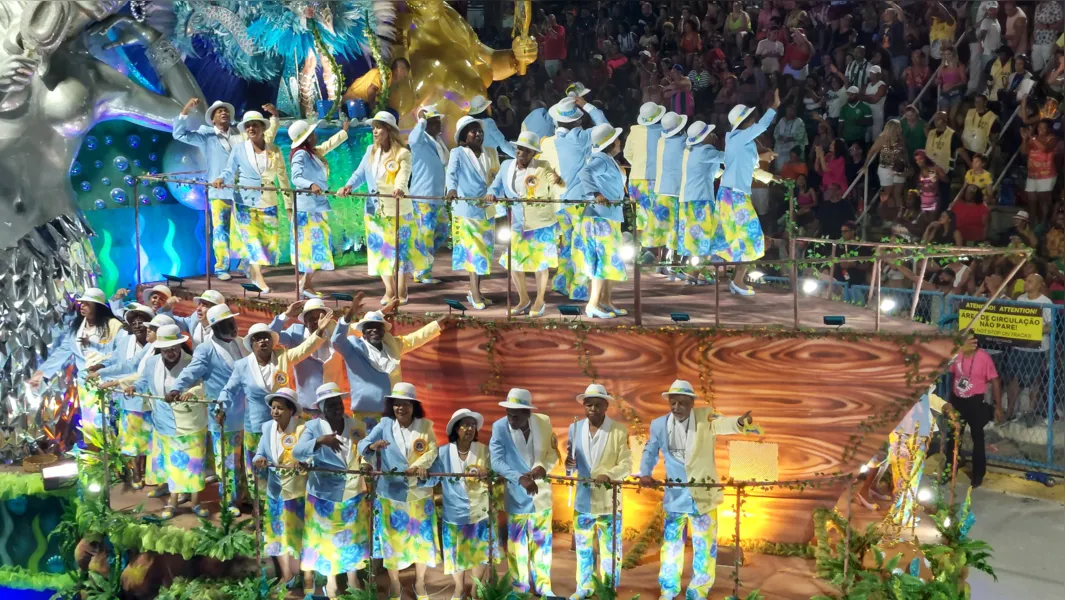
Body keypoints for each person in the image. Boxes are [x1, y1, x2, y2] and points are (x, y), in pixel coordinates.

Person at [638, 380, 760, 600]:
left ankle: (698, 591)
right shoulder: (658, 425)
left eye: (682, 403)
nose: (676, 407)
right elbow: (649, 451)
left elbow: (724, 424)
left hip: (702, 496)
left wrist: (741, 422)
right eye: (672, 403)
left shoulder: (705, 417)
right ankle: (668, 589)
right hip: (675, 496)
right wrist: (644, 472)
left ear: (692, 403)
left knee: (704, 548)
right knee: (671, 546)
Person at [218, 317, 335, 501]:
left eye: (266, 337)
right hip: (255, 426)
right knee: (257, 470)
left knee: (285, 465)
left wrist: (318, 332)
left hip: (285, 425)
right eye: (258, 338)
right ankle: (260, 509)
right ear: (251, 343)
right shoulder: (242, 366)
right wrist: (221, 407)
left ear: (272, 341)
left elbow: (303, 350)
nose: (263, 341)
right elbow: (229, 389)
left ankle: (285, 506)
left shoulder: (282, 357)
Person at [358, 383, 439, 600]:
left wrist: (418, 465)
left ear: (413, 406)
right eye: (396, 404)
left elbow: (433, 449)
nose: (400, 408)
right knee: (391, 541)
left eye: (405, 404)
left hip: (419, 494)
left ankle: (420, 583)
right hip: (389, 493)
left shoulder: (425, 425)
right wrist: (372, 447)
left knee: (421, 541)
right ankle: (395, 584)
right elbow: (363, 444)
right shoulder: (384, 425)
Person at [292, 384, 371, 598]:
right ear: (322, 408)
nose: (337, 407)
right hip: (323, 495)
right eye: (331, 404)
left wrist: (366, 462)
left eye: (338, 402)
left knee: (352, 539)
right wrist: (320, 441)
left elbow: (365, 451)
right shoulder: (313, 427)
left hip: (353, 493)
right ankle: (331, 583)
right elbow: (298, 452)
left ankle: (354, 580)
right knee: (327, 542)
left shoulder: (356, 425)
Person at [168, 304, 246, 511]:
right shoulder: (206, 349)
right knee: (227, 462)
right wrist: (177, 388)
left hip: (247, 413)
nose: (232, 326)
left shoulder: (241, 343)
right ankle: (229, 502)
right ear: (215, 328)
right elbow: (191, 372)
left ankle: (245, 497)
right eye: (226, 324)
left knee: (244, 460)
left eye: (232, 321)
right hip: (223, 415)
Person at [125, 324, 206, 519]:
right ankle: (173, 501)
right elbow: (144, 381)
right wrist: (134, 387)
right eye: (165, 349)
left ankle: (195, 502)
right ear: (159, 348)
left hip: (189, 421)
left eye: (173, 348)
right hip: (163, 420)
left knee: (193, 465)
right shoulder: (152, 363)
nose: (170, 353)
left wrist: (190, 393)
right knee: (172, 464)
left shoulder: (191, 362)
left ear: (180, 346)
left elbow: (203, 386)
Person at [338, 112, 416, 305]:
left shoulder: (403, 153)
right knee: (380, 251)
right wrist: (348, 185)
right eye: (374, 127)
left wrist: (399, 188)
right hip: (374, 209)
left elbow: (403, 174)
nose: (375, 131)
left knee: (400, 251)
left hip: (397, 208)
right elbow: (360, 173)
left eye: (379, 127)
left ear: (389, 130)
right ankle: (389, 290)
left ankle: (401, 288)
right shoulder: (370, 151)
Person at [489, 388, 559, 596]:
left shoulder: (543, 422)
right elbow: (496, 461)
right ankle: (519, 587)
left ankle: (543, 586)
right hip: (516, 497)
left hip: (542, 496)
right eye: (508, 413)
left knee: (542, 543)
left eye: (516, 414)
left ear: (528, 413)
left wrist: (544, 468)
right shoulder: (499, 427)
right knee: (517, 546)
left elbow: (553, 453)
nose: (511, 418)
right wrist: (519, 478)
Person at [485, 131, 563, 317]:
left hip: (540, 223)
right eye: (519, 148)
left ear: (534, 153)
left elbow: (556, 188)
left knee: (540, 263)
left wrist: (558, 181)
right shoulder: (506, 166)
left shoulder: (543, 167)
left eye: (527, 150)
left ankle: (540, 300)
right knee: (514, 263)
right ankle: (523, 299)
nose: (521, 152)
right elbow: (495, 187)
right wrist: (491, 194)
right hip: (518, 223)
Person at [331, 302, 444, 429]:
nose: (374, 330)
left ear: (383, 331)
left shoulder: (392, 346)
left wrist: (437, 325)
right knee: (365, 447)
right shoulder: (354, 347)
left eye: (378, 327)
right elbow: (337, 341)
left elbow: (414, 339)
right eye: (369, 327)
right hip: (365, 415)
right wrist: (349, 315)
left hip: (392, 414)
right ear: (363, 332)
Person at [566, 384, 632, 597]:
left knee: (611, 550)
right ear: (583, 406)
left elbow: (627, 464)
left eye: (597, 405)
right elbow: (571, 466)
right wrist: (569, 464)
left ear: (606, 406)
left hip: (609, 502)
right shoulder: (573, 428)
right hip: (583, 500)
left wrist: (610, 475)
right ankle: (583, 588)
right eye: (588, 405)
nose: (592, 409)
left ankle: (606, 589)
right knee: (583, 549)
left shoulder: (618, 430)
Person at [32, 287, 123, 443]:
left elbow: (119, 354)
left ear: (98, 307)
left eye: (87, 304)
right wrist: (41, 372)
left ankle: (115, 460)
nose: (82, 306)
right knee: (91, 423)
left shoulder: (113, 325)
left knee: (111, 421)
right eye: (81, 303)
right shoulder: (77, 328)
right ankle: (96, 460)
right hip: (86, 383)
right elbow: (63, 350)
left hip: (108, 382)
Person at [713, 90, 780, 296]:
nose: (754, 122)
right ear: (747, 122)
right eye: (752, 119)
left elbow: (749, 170)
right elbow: (763, 126)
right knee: (752, 238)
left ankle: (729, 278)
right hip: (735, 195)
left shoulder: (740, 141)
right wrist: (774, 107)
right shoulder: (740, 138)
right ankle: (737, 280)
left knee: (732, 237)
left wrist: (770, 177)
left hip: (729, 194)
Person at [214, 105, 287, 292]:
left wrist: (289, 204)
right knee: (252, 241)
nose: (251, 129)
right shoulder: (239, 149)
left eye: (255, 125)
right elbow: (230, 170)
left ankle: (251, 267)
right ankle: (258, 278)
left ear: (263, 128)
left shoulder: (274, 150)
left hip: (269, 200)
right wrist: (222, 178)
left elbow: (283, 177)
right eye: (248, 126)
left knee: (269, 243)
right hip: (245, 202)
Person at [426, 409, 498, 599]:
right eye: (465, 425)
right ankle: (459, 588)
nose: (470, 429)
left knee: (480, 553)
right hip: (454, 513)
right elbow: (432, 479)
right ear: (456, 429)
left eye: (473, 425)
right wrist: (419, 475)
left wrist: (488, 476)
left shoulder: (484, 451)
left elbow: (496, 479)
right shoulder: (442, 452)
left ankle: (475, 589)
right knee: (456, 554)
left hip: (480, 512)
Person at [550, 96, 612, 303]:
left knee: (567, 244)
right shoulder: (578, 137)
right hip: (580, 201)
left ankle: (560, 281)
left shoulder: (557, 139)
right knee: (583, 246)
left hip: (564, 201)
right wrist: (586, 105)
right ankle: (578, 289)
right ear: (577, 121)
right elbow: (605, 127)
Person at [88, 303, 156, 488]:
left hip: (151, 400)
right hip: (130, 398)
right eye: (133, 322)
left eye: (141, 322)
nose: (137, 325)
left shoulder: (155, 346)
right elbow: (122, 364)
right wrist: (101, 369)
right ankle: (136, 473)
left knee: (149, 440)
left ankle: (149, 474)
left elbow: (143, 374)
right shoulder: (128, 342)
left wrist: (115, 381)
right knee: (132, 440)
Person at [251, 388, 310, 594]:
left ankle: (300, 576)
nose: (275, 412)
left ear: (291, 411)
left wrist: (303, 462)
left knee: (294, 535)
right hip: (274, 492)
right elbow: (259, 452)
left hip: (296, 493)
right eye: (273, 408)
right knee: (276, 535)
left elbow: (311, 455)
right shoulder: (267, 428)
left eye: (280, 408)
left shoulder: (303, 429)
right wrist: (258, 459)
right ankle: (287, 575)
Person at [174, 98, 239, 280]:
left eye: (226, 110)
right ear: (212, 118)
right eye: (219, 111)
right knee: (220, 229)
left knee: (243, 229)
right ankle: (222, 267)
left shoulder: (237, 135)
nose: (224, 113)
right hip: (219, 190)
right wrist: (186, 109)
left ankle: (246, 265)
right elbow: (179, 134)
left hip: (242, 191)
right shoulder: (207, 136)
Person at [288, 118, 351, 297]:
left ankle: (305, 283)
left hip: (316, 206)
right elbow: (296, 178)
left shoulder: (313, 153)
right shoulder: (300, 155)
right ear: (307, 138)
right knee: (313, 248)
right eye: (312, 134)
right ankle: (305, 285)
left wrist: (344, 131)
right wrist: (311, 185)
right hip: (307, 208)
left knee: (318, 248)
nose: (315, 136)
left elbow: (328, 145)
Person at [574, 123, 629, 319]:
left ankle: (605, 301)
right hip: (600, 218)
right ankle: (593, 304)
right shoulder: (601, 159)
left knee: (609, 260)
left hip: (608, 217)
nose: (620, 141)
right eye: (617, 138)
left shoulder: (608, 159)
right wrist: (595, 193)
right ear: (610, 143)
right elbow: (584, 173)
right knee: (602, 260)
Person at [446, 116, 501, 309]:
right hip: (466, 209)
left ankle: (475, 291)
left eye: (480, 131)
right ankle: (475, 294)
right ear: (464, 136)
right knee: (473, 253)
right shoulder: (458, 152)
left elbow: (497, 177)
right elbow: (451, 173)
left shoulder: (491, 152)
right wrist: (451, 189)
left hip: (486, 209)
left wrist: (495, 193)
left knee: (484, 253)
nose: (478, 134)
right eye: (473, 131)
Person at [270, 297, 348, 412]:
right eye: (311, 318)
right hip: (308, 406)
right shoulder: (296, 333)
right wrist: (285, 315)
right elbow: (270, 336)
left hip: (334, 404)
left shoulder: (335, 332)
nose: (316, 321)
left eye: (320, 317)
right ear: (305, 322)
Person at [944, 336, 1003, 489]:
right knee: (954, 436)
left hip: (975, 401)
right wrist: (949, 400)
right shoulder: (957, 354)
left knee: (978, 437)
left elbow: (995, 381)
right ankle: (950, 470)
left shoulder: (983, 357)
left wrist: (998, 406)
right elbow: (952, 375)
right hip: (958, 400)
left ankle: (978, 474)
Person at [408, 105, 450, 285]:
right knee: (425, 235)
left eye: (438, 122)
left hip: (437, 197)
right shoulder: (420, 141)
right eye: (434, 122)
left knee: (441, 231)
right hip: (423, 196)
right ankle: (421, 272)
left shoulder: (438, 142)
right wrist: (422, 121)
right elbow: (412, 138)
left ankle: (419, 265)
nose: (438, 125)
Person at [1005, 273, 1054, 420]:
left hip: (1037, 348)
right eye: (1026, 280)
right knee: (1014, 379)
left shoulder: (1046, 302)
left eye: (1030, 281)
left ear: (1039, 285)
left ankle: (1031, 412)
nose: (1026, 283)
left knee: (1035, 380)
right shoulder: (1021, 299)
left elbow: (1051, 326)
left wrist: (1031, 331)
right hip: (1019, 346)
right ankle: (1010, 410)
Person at [677, 121, 725, 263]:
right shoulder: (706, 151)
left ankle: (692, 269)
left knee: (693, 236)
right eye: (709, 134)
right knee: (704, 236)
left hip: (687, 197)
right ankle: (696, 271)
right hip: (701, 197)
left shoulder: (689, 150)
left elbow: (707, 171)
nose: (712, 135)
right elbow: (730, 157)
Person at [625, 102, 668, 256]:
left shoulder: (634, 131)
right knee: (659, 217)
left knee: (640, 217)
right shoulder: (665, 131)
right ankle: (655, 254)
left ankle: (640, 253)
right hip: (658, 179)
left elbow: (627, 154)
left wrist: (638, 164)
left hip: (636, 178)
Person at [650, 111, 688, 263]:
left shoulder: (661, 141)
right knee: (677, 229)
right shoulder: (684, 142)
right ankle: (675, 263)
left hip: (660, 190)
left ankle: (662, 261)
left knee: (664, 229)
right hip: (676, 191)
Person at [865, 120, 907, 214]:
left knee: (898, 193)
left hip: (899, 168)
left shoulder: (901, 139)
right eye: (898, 127)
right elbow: (871, 151)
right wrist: (865, 166)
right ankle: (891, 216)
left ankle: (900, 216)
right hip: (885, 168)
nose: (900, 129)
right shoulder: (882, 139)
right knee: (889, 194)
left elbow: (904, 153)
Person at [1020, 121, 1058, 225]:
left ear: (1048, 129)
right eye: (1039, 127)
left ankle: (1043, 224)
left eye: (1043, 127)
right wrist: (1024, 139)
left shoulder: (1052, 139)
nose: (1040, 129)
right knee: (1031, 200)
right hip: (1032, 174)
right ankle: (1033, 224)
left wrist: (1032, 138)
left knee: (1043, 200)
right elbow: (1023, 151)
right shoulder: (1034, 139)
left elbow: (1045, 149)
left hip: (1046, 174)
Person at [343, 57, 410, 112]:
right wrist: (374, 111)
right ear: (399, 69)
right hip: (352, 104)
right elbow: (371, 90)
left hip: (357, 102)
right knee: (392, 114)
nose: (405, 76)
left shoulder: (387, 76)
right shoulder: (386, 74)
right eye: (405, 73)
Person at [773, 104, 807, 168]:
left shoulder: (799, 121)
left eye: (791, 111)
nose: (789, 112)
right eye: (788, 111)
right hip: (781, 146)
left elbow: (801, 135)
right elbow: (775, 133)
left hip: (793, 146)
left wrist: (790, 139)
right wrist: (781, 137)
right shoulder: (782, 120)